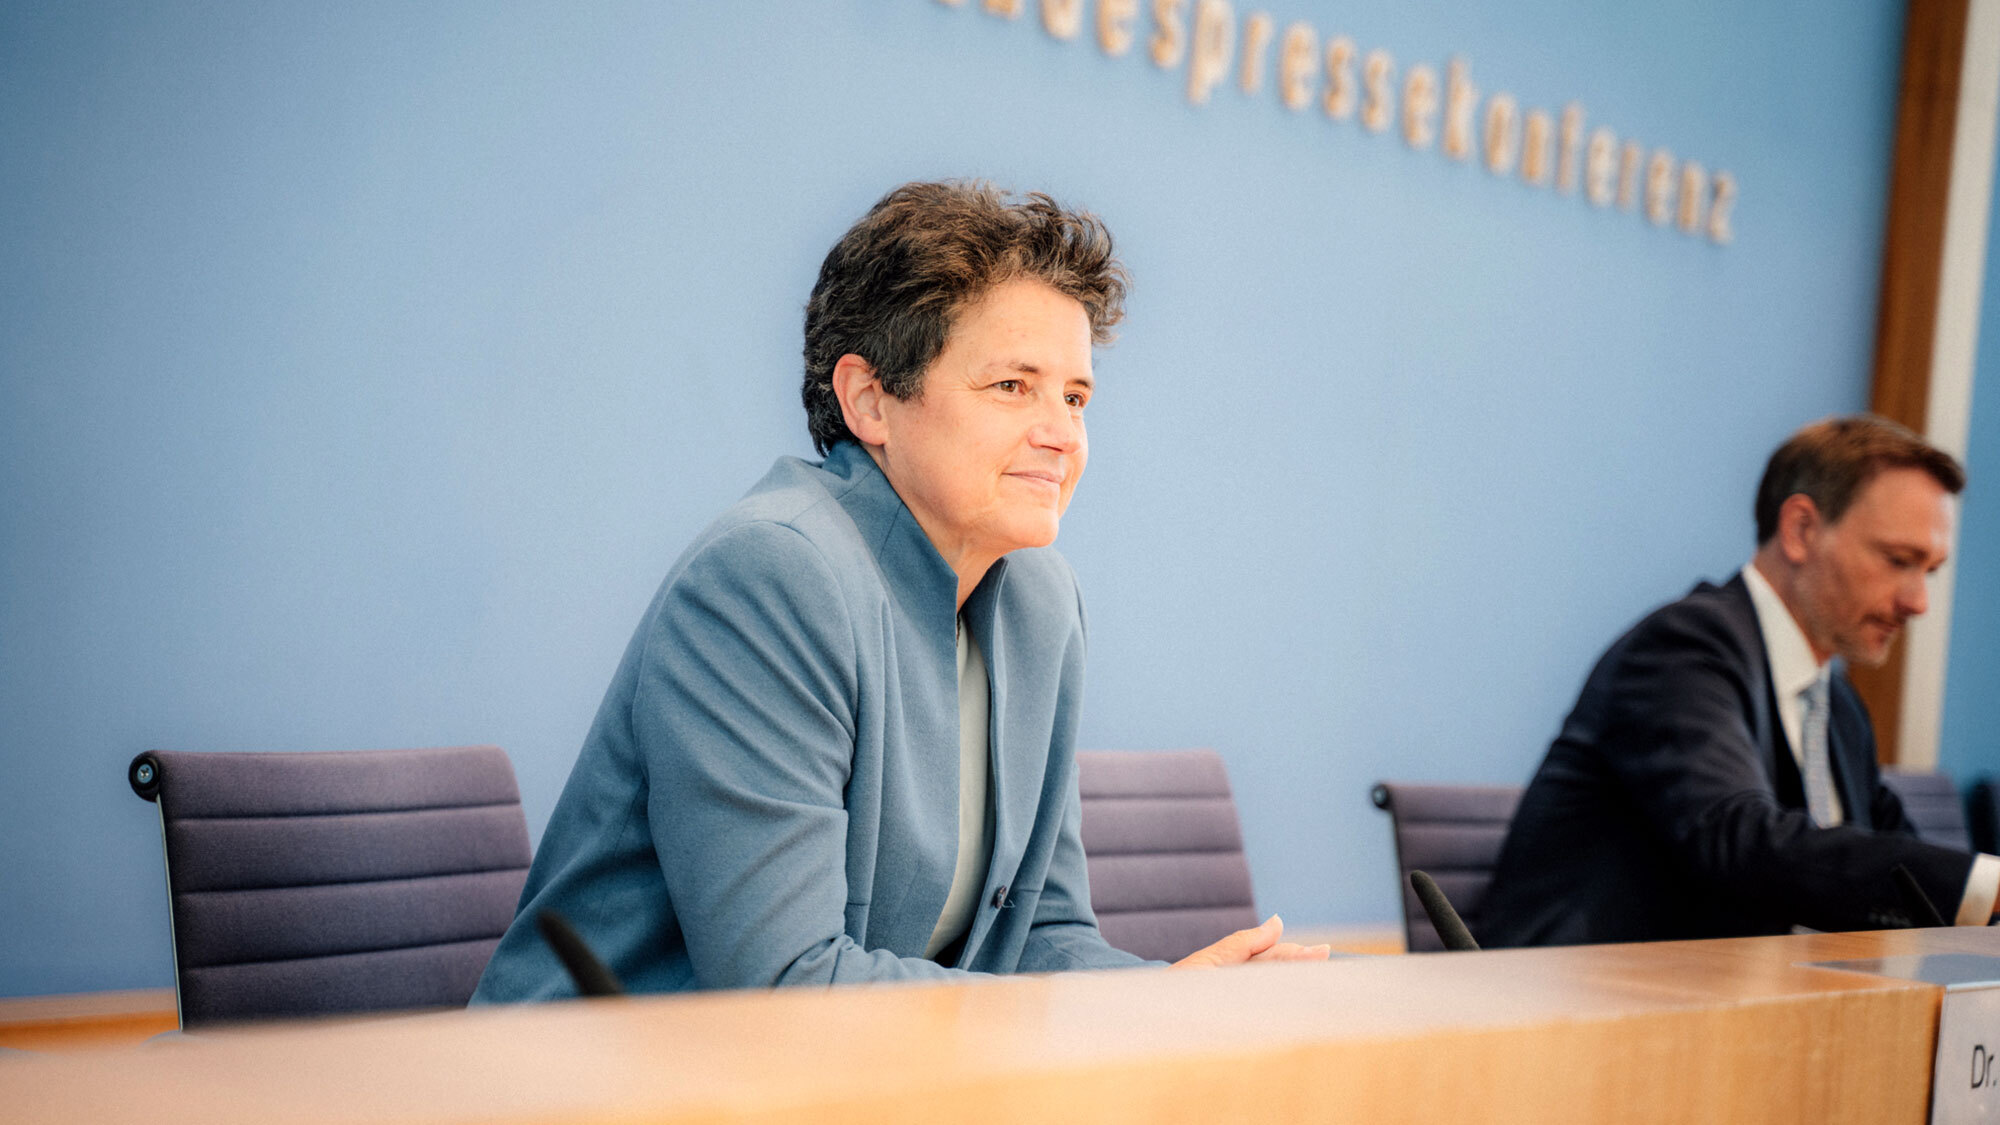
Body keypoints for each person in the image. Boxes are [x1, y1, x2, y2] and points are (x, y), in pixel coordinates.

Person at [473, 182, 1325, 999]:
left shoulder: (1040, 602)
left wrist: (1178, 996)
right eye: (1012, 386)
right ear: (871, 401)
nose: (1062, 433)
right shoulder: (770, 577)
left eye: (1076, 396)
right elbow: (786, 983)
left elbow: (1038, 933)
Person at [1480, 415, 1997, 948]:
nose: (1918, 602)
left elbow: (1896, 867)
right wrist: (1984, 885)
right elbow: (1739, 839)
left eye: (1929, 571)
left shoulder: (1836, 707)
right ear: (1801, 530)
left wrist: (1981, 903)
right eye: (1898, 561)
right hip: (1578, 1006)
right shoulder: (1682, 648)